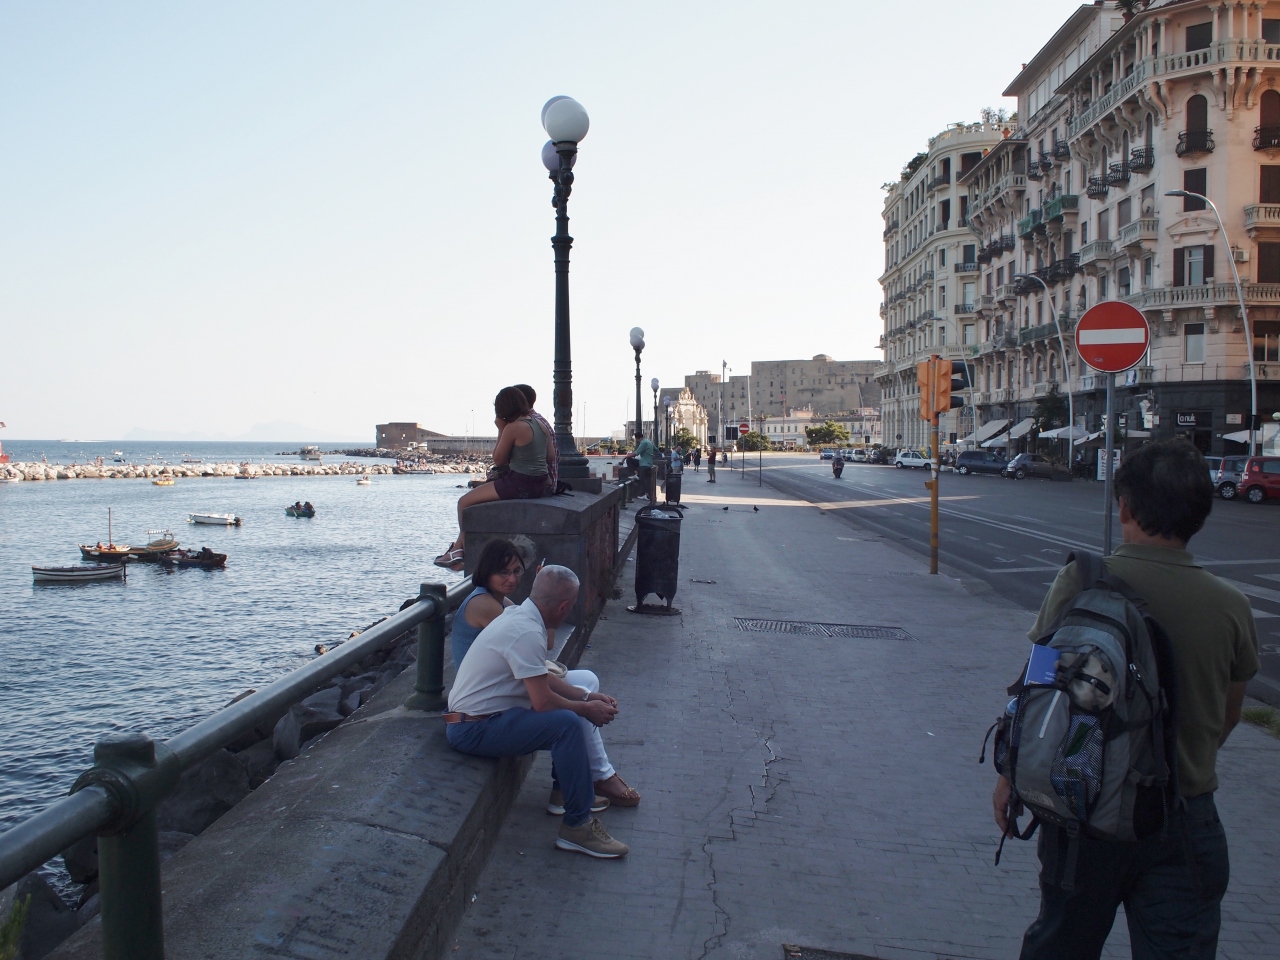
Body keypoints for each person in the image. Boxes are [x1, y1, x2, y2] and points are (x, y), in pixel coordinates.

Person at [994, 438, 1258, 960]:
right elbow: (1228, 716)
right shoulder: (1232, 607)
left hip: (1086, 811)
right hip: (1185, 819)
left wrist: (1011, 775)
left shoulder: (1082, 580)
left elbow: (1039, 685)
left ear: (1125, 508)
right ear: (1200, 515)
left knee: (1061, 944)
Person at [445, 566, 630, 858]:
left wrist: (585, 696)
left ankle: (566, 795)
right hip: (473, 728)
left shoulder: (519, 616)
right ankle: (577, 827)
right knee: (566, 724)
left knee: (568, 717)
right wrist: (586, 709)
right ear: (563, 607)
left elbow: (540, 676)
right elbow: (543, 701)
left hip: (480, 718)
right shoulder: (527, 632)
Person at [435, 387, 549, 569]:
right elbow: (550, 456)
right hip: (539, 484)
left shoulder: (513, 427)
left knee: (464, 502)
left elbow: (498, 459)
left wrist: (501, 429)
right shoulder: (540, 425)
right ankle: (458, 550)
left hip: (518, 482)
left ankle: (461, 550)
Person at [514, 384, 559, 494]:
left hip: (536, 485)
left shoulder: (523, 425)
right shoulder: (539, 420)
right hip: (548, 483)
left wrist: (501, 428)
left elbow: (499, 460)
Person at [633, 433, 657, 500]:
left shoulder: (643, 443)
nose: (637, 441)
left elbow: (636, 453)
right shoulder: (649, 442)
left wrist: (626, 457)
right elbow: (656, 449)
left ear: (637, 438)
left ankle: (645, 495)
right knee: (646, 480)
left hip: (644, 463)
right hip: (649, 463)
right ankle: (637, 474)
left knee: (643, 480)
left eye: (636, 439)